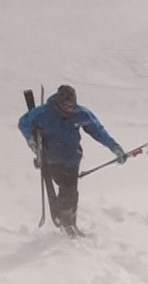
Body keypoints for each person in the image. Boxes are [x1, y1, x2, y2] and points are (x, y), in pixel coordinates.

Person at [17, 84, 127, 237]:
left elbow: (98, 131)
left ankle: (70, 223)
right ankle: (66, 225)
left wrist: (115, 147)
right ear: (59, 102)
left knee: (72, 192)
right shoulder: (44, 112)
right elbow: (23, 123)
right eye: (66, 105)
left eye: (72, 105)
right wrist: (32, 142)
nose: (70, 108)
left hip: (73, 158)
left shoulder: (81, 113)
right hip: (52, 158)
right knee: (67, 189)